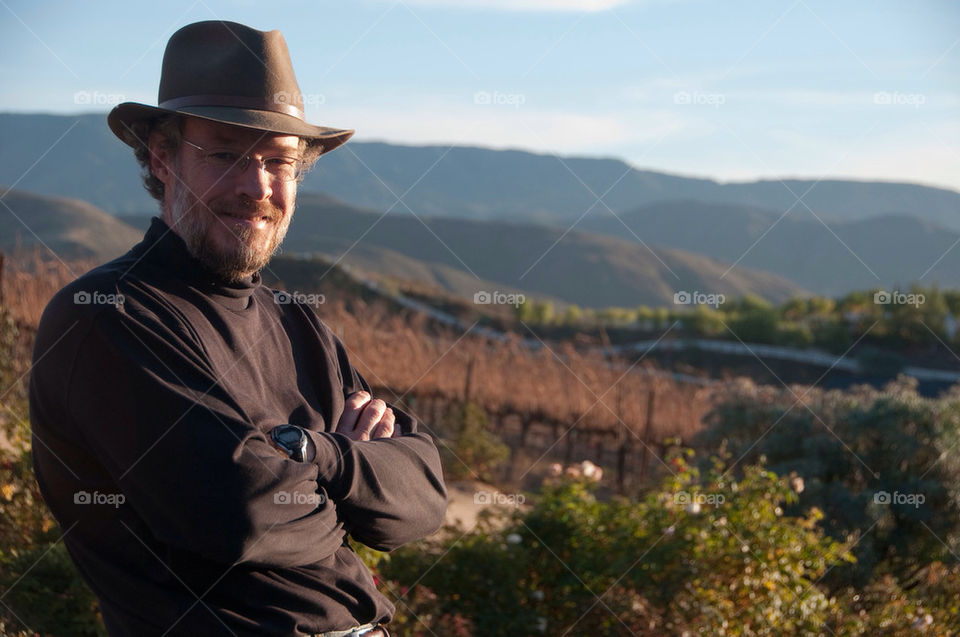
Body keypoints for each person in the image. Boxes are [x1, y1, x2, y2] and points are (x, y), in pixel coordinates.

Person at [29, 20, 447, 637]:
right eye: (224, 154)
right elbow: (240, 515)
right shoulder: (108, 314)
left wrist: (313, 457)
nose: (257, 188)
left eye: (280, 161)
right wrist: (354, 476)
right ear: (161, 156)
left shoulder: (299, 324)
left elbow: (423, 500)